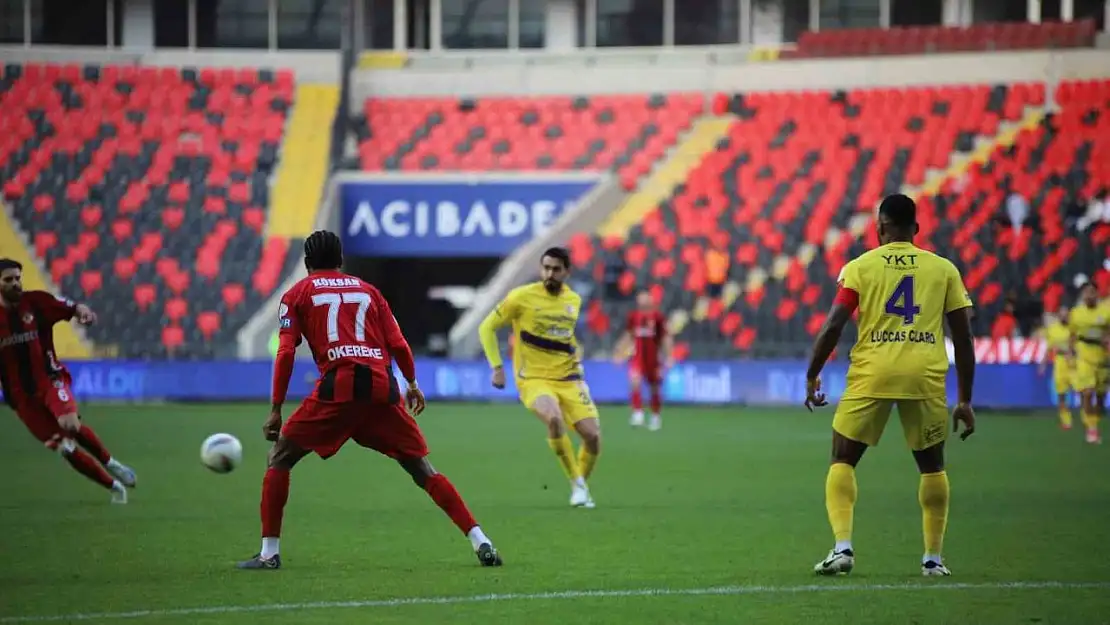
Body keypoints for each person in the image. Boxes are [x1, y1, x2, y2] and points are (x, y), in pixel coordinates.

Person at [238, 231, 501, 570]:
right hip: (382, 388)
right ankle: (481, 540)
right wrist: (412, 383)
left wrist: (276, 408)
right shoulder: (369, 291)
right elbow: (400, 344)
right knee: (422, 470)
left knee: (280, 458)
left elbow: (287, 350)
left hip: (338, 389)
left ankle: (269, 554)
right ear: (341, 261)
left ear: (306, 264)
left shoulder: (296, 294)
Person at [803, 194, 976, 577]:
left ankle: (842, 547)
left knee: (843, 457)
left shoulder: (861, 267)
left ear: (879, 228)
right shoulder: (943, 269)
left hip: (873, 372)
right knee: (932, 467)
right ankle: (933, 559)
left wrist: (812, 372)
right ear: (915, 229)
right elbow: (963, 338)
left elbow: (834, 324)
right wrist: (964, 399)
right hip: (925, 373)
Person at [0, 258, 137, 503]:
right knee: (66, 447)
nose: (15, 283)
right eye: (8, 280)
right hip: (20, 396)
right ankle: (114, 487)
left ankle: (111, 463)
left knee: (70, 424)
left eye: (17, 278)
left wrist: (83, 313)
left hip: (48, 378)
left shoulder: (36, 303)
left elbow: (73, 307)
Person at [478, 247, 600, 509]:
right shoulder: (521, 297)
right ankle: (577, 485)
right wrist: (497, 366)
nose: (550, 274)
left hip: (569, 378)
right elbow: (486, 327)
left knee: (592, 437)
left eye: (556, 269)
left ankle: (580, 485)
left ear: (567, 272)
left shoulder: (573, 301)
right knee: (554, 418)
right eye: (546, 268)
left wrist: (577, 364)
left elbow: (565, 338)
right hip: (533, 379)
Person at [615, 290, 671, 431]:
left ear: (650, 301)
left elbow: (665, 338)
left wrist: (669, 356)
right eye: (640, 299)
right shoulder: (633, 316)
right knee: (634, 381)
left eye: (645, 299)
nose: (642, 301)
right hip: (638, 356)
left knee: (654, 388)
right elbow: (628, 335)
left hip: (654, 358)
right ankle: (638, 413)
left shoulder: (658, 317)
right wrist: (619, 352)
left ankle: (655, 416)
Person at [1067, 282, 1107, 445]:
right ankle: (1091, 427)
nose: (1089, 295)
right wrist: (1070, 352)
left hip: (1102, 356)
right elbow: (1072, 335)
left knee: (1100, 396)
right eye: (1086, 292)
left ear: (1097, 294)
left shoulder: (1106, 311)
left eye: (1092, 292)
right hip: (1084, 355)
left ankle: (1093, 420)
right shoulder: (1076, 313)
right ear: (1083, 295)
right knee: (1088, 392)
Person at [1038, 307, 1075, 430]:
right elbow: (1049, 349)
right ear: (1059, 316)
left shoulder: (1074, 328)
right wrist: (1042, 365)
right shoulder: (1053, 330)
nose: (1064, 317)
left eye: (1066, 314)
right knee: (1061, 394)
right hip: (1060, 362)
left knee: (1083, 391)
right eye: (1062, 314)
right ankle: (1066, 421)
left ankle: (1088, 419)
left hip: (1075, 362)